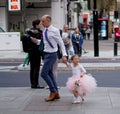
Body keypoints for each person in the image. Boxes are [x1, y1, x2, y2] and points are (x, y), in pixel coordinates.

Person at [40, 15, 67, 102]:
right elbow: (45, 43)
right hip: (46, 54)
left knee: (43, 74)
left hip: (52, 55)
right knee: (50, 73)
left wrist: (64, 55)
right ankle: (56, 93)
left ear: (48, 21)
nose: (42, 23)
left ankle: (53, 91)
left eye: (43, 21)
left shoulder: (55, 30)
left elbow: (61, 43)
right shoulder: (44, 31)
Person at [27, 19, 44, 89]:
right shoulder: (38, 32)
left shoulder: (29, 31)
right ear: (36, 25)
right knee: (36, 68)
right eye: (40, 24)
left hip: (31, 52)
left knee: (32, 68)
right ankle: (35, 84)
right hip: (36, 52)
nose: (41, 25)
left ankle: (33, 84)